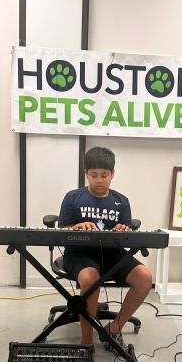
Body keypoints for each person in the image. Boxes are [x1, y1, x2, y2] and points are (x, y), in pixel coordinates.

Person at [58, 146, 152, 347]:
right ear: (86, 174)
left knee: (145, 278)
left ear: (112, 175)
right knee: (91, 279)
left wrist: (124, 230)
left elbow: (127, 235)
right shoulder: (72, 197)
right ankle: (86, 344)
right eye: (93, 175)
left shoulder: (121, 201)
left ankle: (114, 328)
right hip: (79, 254)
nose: (99, 179)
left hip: (113, 254)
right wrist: (75, 226)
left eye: (104, 175)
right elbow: (63, 230)